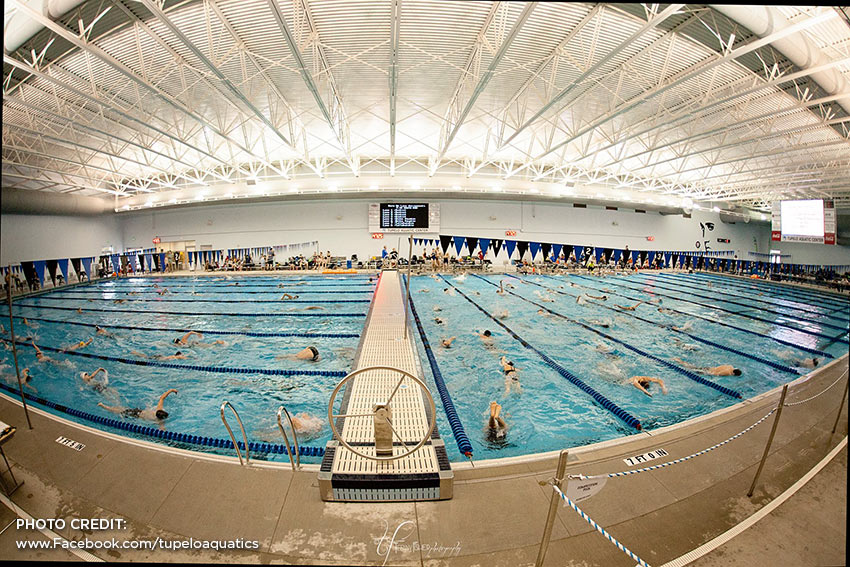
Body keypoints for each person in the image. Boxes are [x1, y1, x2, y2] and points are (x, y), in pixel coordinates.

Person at [98, 389, 178, 421]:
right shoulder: (159, 421)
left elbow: (162, 398)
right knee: (118, 411)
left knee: (121, 409)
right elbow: (162, 430)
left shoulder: (158, 409)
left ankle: (104, 404)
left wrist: (171, 390)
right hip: (135, 415)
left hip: (138, 411)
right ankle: (103, 406)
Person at [672, 357, 742, 376]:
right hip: (708, 371)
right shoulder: (727, 373)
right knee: (690, 369)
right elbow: (716, 374)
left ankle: (679, 360)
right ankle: (679, 361)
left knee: (692, 367)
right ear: (734, 374)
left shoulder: (730, 366)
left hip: (709, 368)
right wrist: (706, 374)